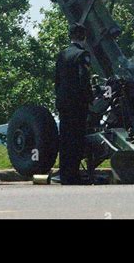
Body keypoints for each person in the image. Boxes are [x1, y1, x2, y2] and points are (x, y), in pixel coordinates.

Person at [55, 23, 93, 185]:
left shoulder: (62, 54)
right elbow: (83, 79)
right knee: (76, 140)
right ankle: (73, 175)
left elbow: (57, 80)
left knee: (65, 139)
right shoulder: (82, 54)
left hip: (63, 102)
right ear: (83, 37)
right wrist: (90, 98)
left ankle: (65, 174)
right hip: (77, 104)